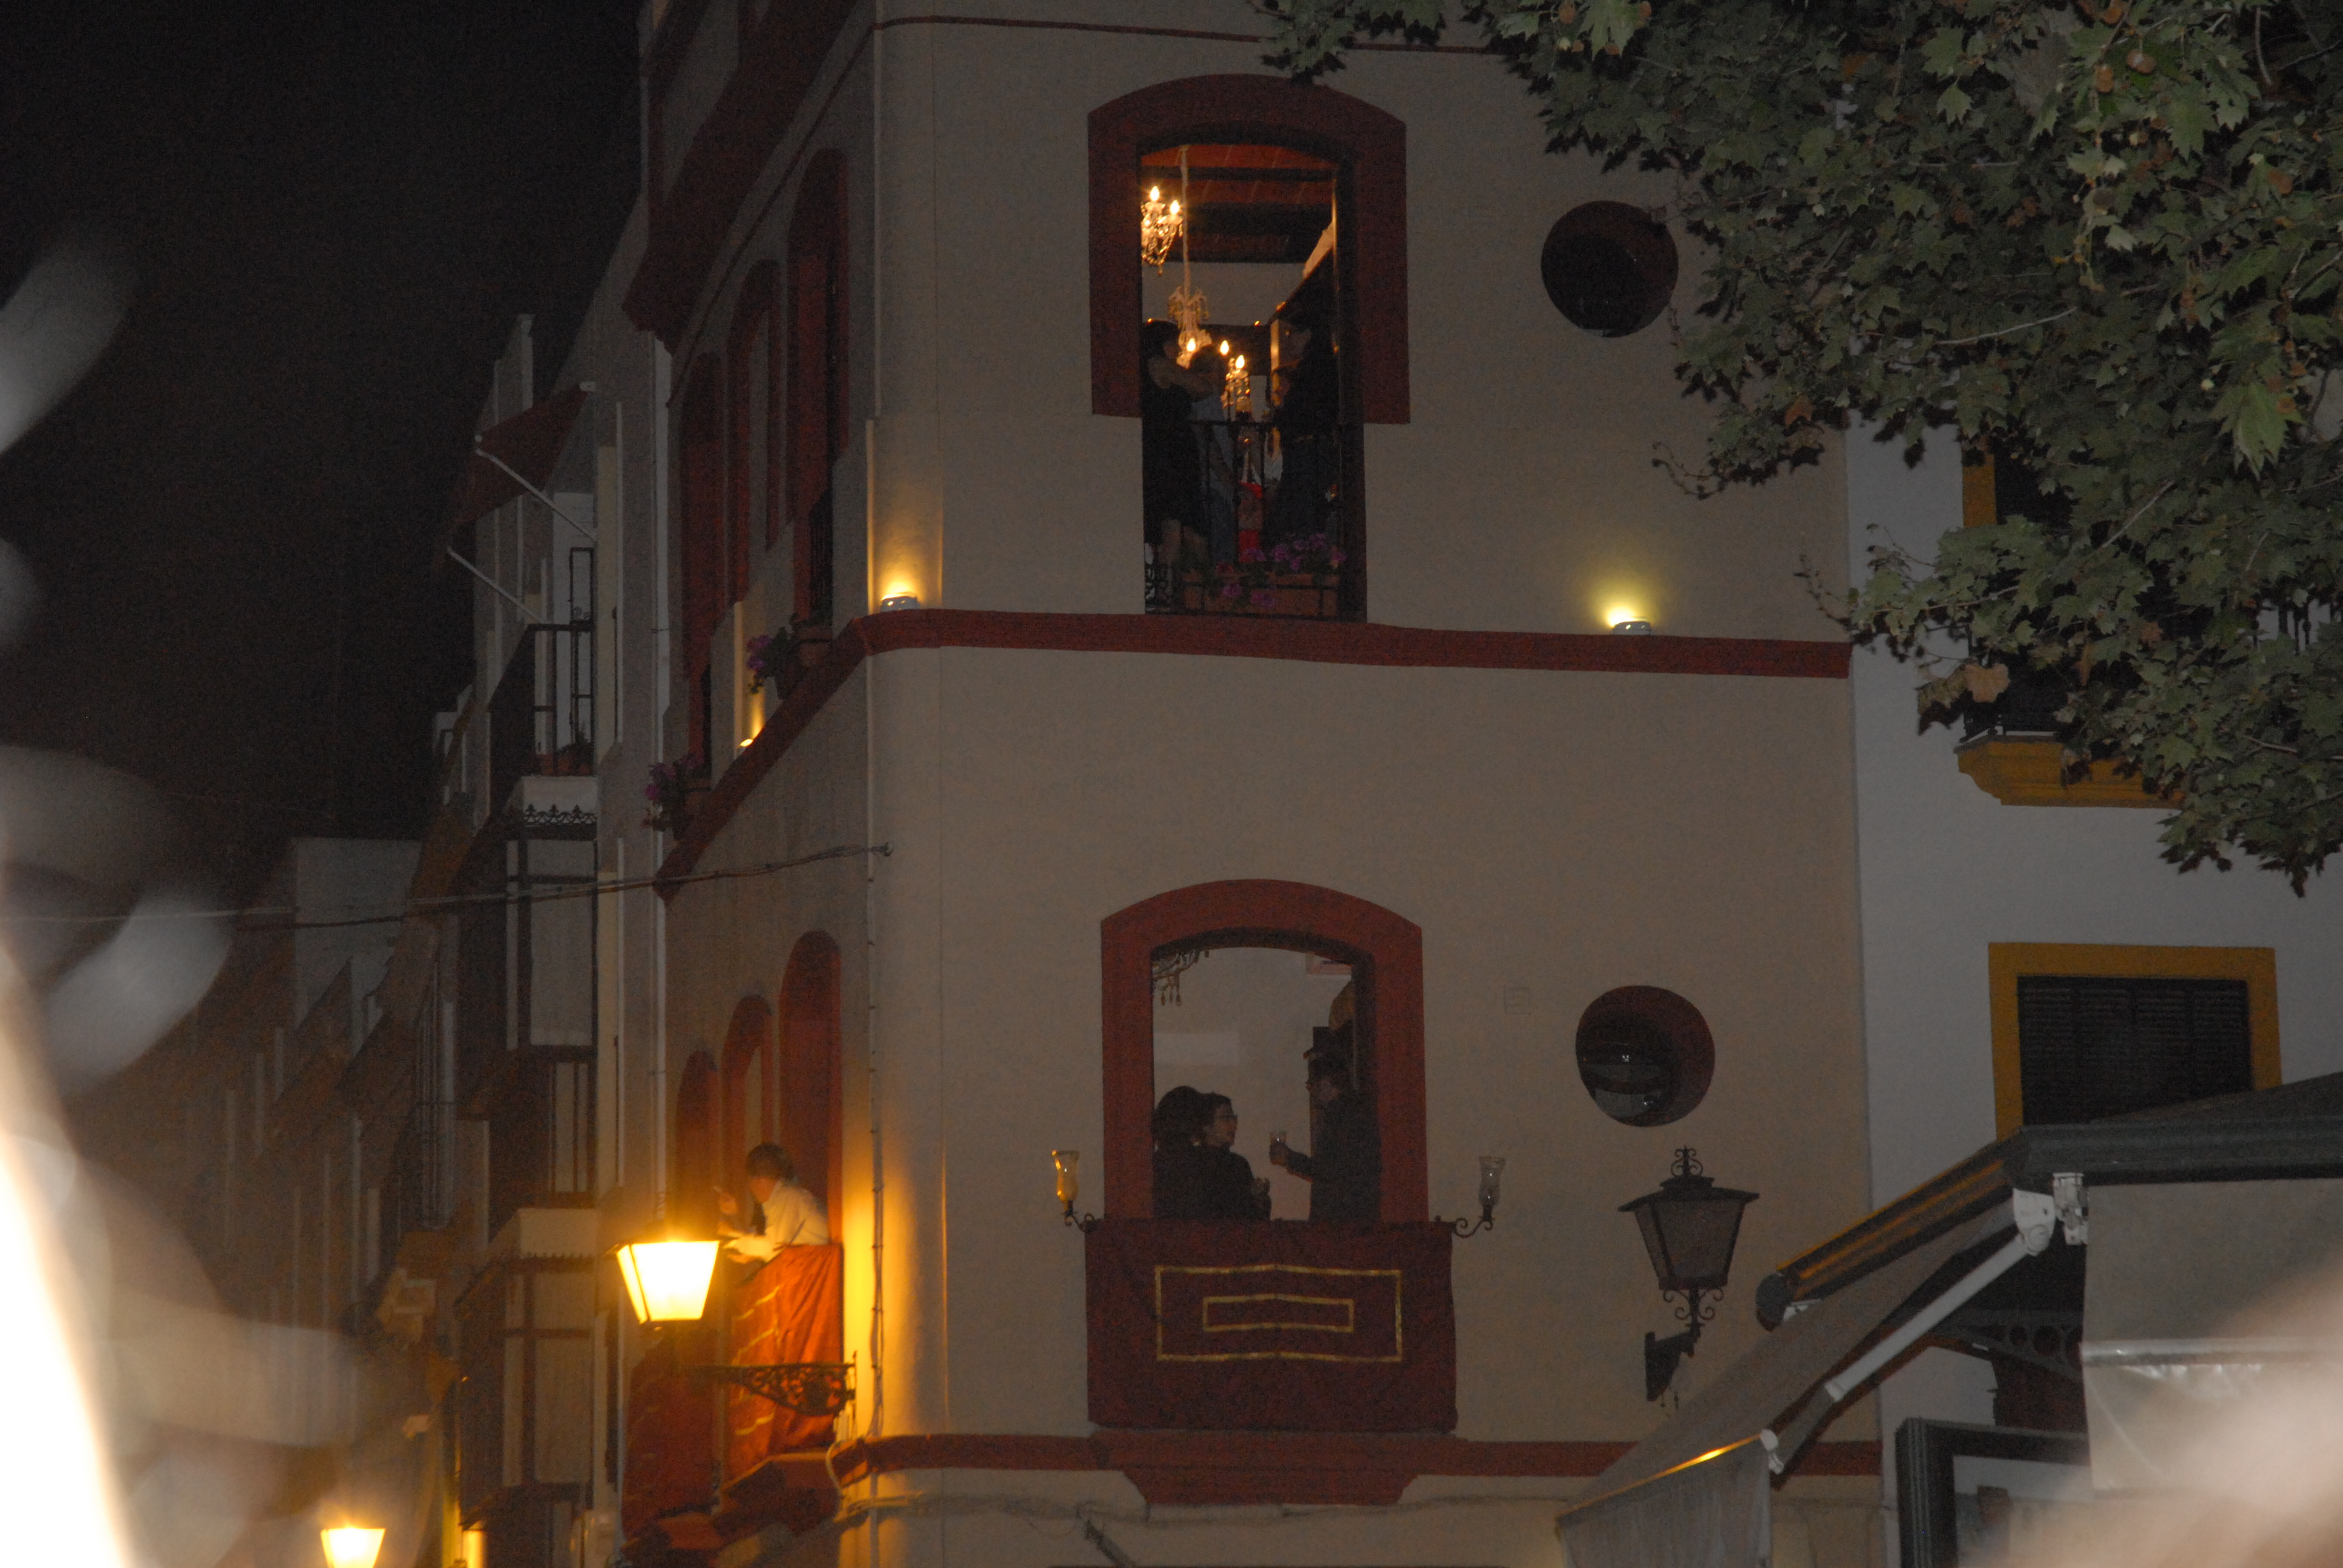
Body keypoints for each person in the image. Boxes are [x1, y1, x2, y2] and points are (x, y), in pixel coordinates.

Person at [1140, 320, 1219, 570]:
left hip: (1173, 454)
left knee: (1182, 524)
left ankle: (1187, 584)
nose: (1179, 350)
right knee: (1173, 524)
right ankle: (1170, 587)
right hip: (1169, 455)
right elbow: (1203, 388)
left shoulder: (1154, 370)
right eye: (1174, 343)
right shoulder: (1158, 365)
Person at [1270, 1057, 1380, 1223]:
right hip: (1356, 1212)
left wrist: (1290, 1158)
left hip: (1340, 1215)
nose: (1311, 1092)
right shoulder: (1356, 1112)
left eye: (1311, 1085)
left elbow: (1330, 1169)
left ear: (1326, 1085)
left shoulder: (1341, 1117)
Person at [1154, 1086, 1270, 1220]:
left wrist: (1259, 1198)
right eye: (1226, 1118)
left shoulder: (1239, 1164)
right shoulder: (1190, 1162)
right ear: (1206, 1126)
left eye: (1234, 1117)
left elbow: (1255, 1219)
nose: (1234, 1124)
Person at [716, 1142, 830, 1261]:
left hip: (814, 1268)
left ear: (759, 1179)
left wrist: (733, 1238)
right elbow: (767, 1242)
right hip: (809, 1266)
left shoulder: (788, 1197)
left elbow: (773, 1248)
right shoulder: (785, 1196)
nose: (750, 1188)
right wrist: (734, 1222)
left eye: (749, 1180)